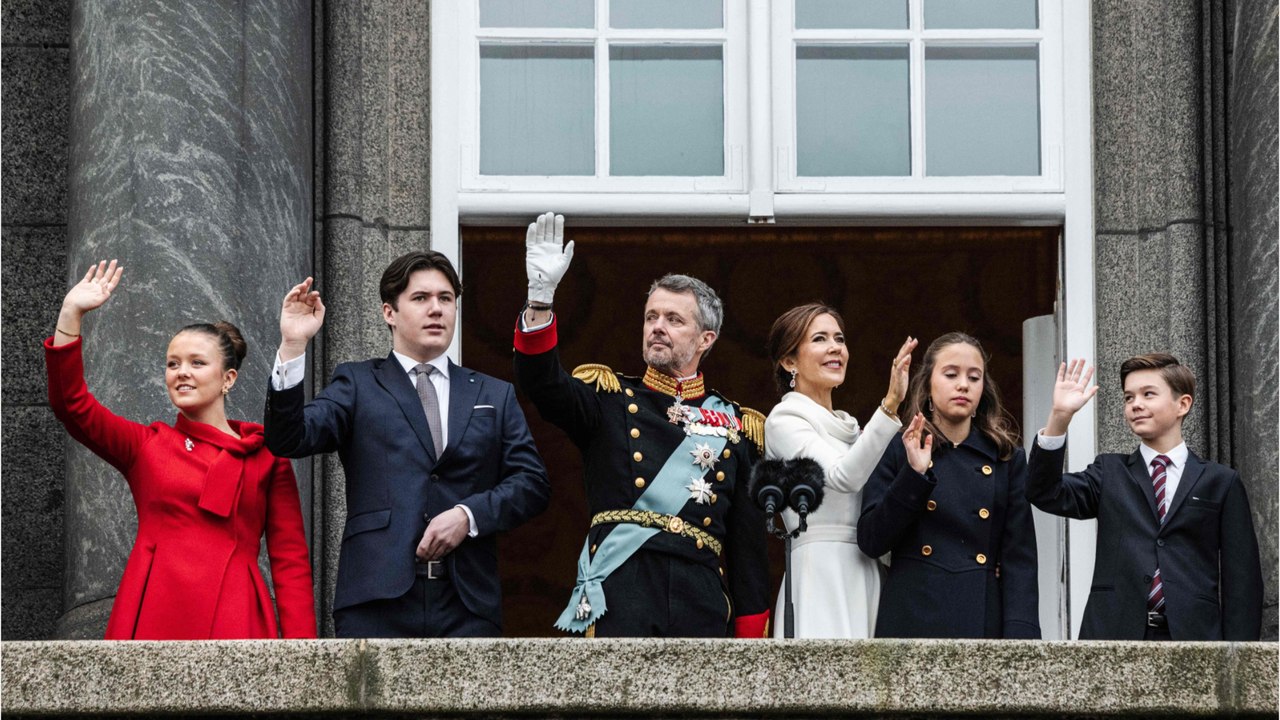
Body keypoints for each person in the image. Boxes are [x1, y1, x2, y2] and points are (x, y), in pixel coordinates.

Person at [264, 251, 550, 638]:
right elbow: (289, 438)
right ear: (389, 313)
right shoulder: (357, 383)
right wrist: (293, 346)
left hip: (467, 603)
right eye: (421, 298)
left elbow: (532, 483)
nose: (436, 309)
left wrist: (469, 515)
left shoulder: (493, 393)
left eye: (445, 299)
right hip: (375, 601)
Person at [513, 212, 772, 638]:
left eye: (674, 319)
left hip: (700, 600)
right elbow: (542, 385)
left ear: (705, 339)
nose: (657, 327)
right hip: (621, 591)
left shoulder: (738, 428)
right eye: (652, 317)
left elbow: (748, 554)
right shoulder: (608, 399)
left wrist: (749, 648)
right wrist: (540, 301)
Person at [46, 260, 316, 640]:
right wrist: (70, 314)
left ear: (228, 378)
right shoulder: (147, 445)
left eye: (197, 363)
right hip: (155, 609)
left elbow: (290, 564)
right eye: (173, 364)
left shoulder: (266, 457)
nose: (181, 372)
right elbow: (72, 406)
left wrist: (301, 658)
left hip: (237, 615)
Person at [1026, 355, 1262, 640]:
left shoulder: (1221, 482)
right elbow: (1045, 492)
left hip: (1195, 637)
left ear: (1182, 404)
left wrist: (1241, 659)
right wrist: (1059, 419)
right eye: (1128, 397)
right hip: (1114, 635)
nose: (1135, 404)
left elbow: (1242, 580)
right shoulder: (1109, 471)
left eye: (1148, 394)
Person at [858, 332, 1039, 639]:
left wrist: (1022, 640)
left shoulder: (1006, 457)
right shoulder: (899, 446)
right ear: (928, 383)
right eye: (951, 374)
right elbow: (872, 540)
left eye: (974, 376)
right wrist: (914, 475)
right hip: (911, 614)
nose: (963, 385)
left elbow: (1019, 559)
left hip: (981, 617)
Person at [762, 304, 915, 638]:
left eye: (839, 339)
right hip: (819, 573)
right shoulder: (784, 421)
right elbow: (840, 478)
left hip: (868, 569)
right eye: (819, 339)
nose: (835, 348)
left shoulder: (855, 431)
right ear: (789, 361)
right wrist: (889, 404)